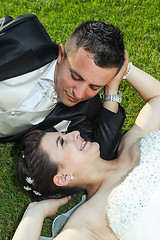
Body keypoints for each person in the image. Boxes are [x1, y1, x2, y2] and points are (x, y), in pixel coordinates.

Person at [13, 52, 160, 240]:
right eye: (62, 143)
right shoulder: (86, 223)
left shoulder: (129, 145)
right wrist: (35, 213)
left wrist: (121, 69)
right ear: (63, 177)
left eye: (65, 135)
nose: (74, 134)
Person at [0, 14, 125, 160]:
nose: (79, 94)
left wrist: (112, 89)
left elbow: (100, 157)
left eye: (94, 87)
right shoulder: (21, 37)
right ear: (61, 54)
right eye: (75, 77)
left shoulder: (84, 110)